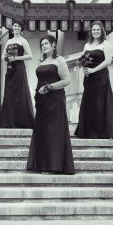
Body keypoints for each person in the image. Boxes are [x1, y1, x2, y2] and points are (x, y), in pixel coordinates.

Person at [27, 35, 74, 174]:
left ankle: (54, 166)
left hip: (54, 99)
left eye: (46, 43)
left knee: (53, 132)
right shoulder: (41, 61)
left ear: (53, 45)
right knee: (43, 133)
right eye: (42, 44)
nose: (44, 46)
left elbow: (66, 80)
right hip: (41, 102)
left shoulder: (59, 60)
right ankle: (43, 164)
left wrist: (49, 87)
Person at [74, 21, 113, 138]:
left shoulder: (105, 44)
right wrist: (84, 67)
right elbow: (83, 59)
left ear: (102, 31)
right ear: (91, 31)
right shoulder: (87, 45)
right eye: (94, 30)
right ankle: (89, 131)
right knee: (90, 102)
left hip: (101, 77)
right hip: (89, 78)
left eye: (98, 29)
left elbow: (108, 60)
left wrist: (94, 70)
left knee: (100, 103)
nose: (96, 31)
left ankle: (102, 131)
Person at [0, 21, 34, 128]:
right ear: (12, 28)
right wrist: (8, 58)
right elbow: (3, 56)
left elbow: (30, 56)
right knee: (10, 94)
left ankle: (22, 122)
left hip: (19, 68)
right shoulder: (9, 41)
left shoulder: (23, 41)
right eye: (15, 26)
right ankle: (10, 121)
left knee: (20, 94)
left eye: (19, 26)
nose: (16, 28)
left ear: (21, 29)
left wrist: (16, 58)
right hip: (10, 69)